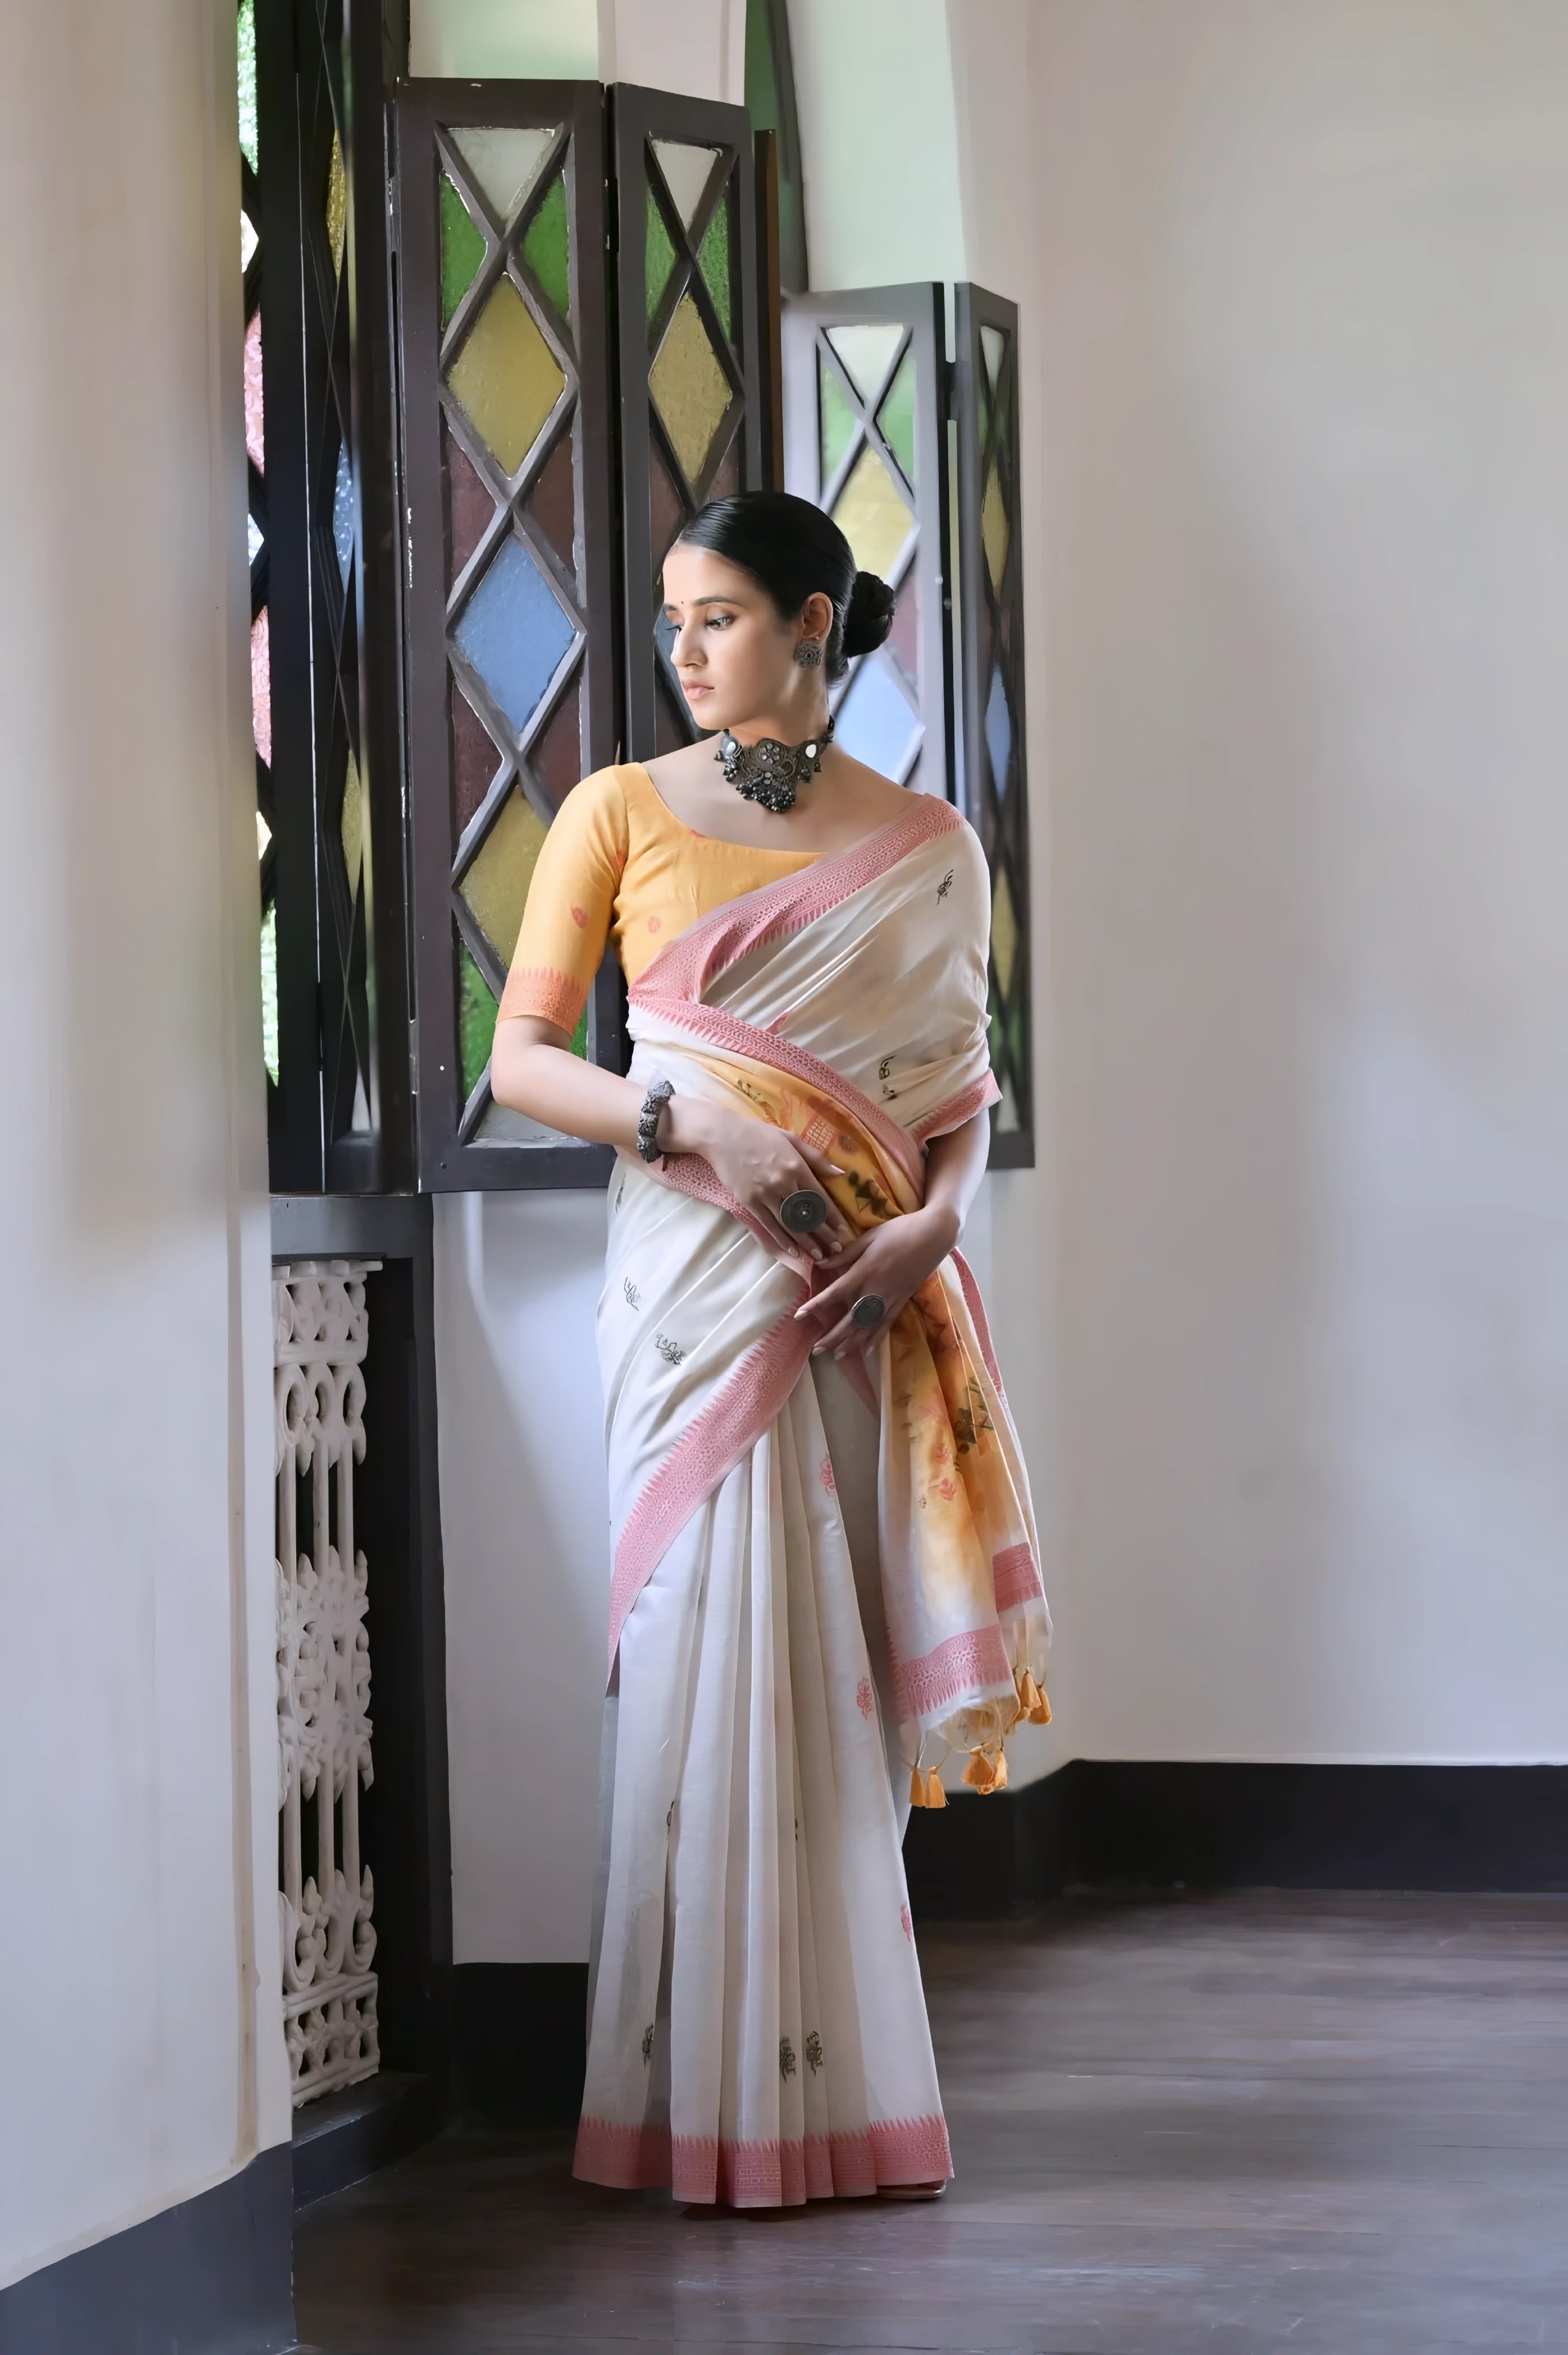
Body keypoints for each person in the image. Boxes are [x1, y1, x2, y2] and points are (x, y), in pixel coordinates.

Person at [490, 490, 1050, 2211]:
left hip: (857, 1295)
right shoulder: (613, 811)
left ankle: (838, 2095)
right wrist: (692, 1130)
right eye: (671, 621)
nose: (683, 652)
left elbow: (962, 1094)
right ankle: (682, 2104)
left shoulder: (931, 844)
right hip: (690, 1287)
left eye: (718, 617)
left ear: (817, 625)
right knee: (692, 1653)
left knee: (837, 1669)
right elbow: (521, 1060)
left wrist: (933, 1224)